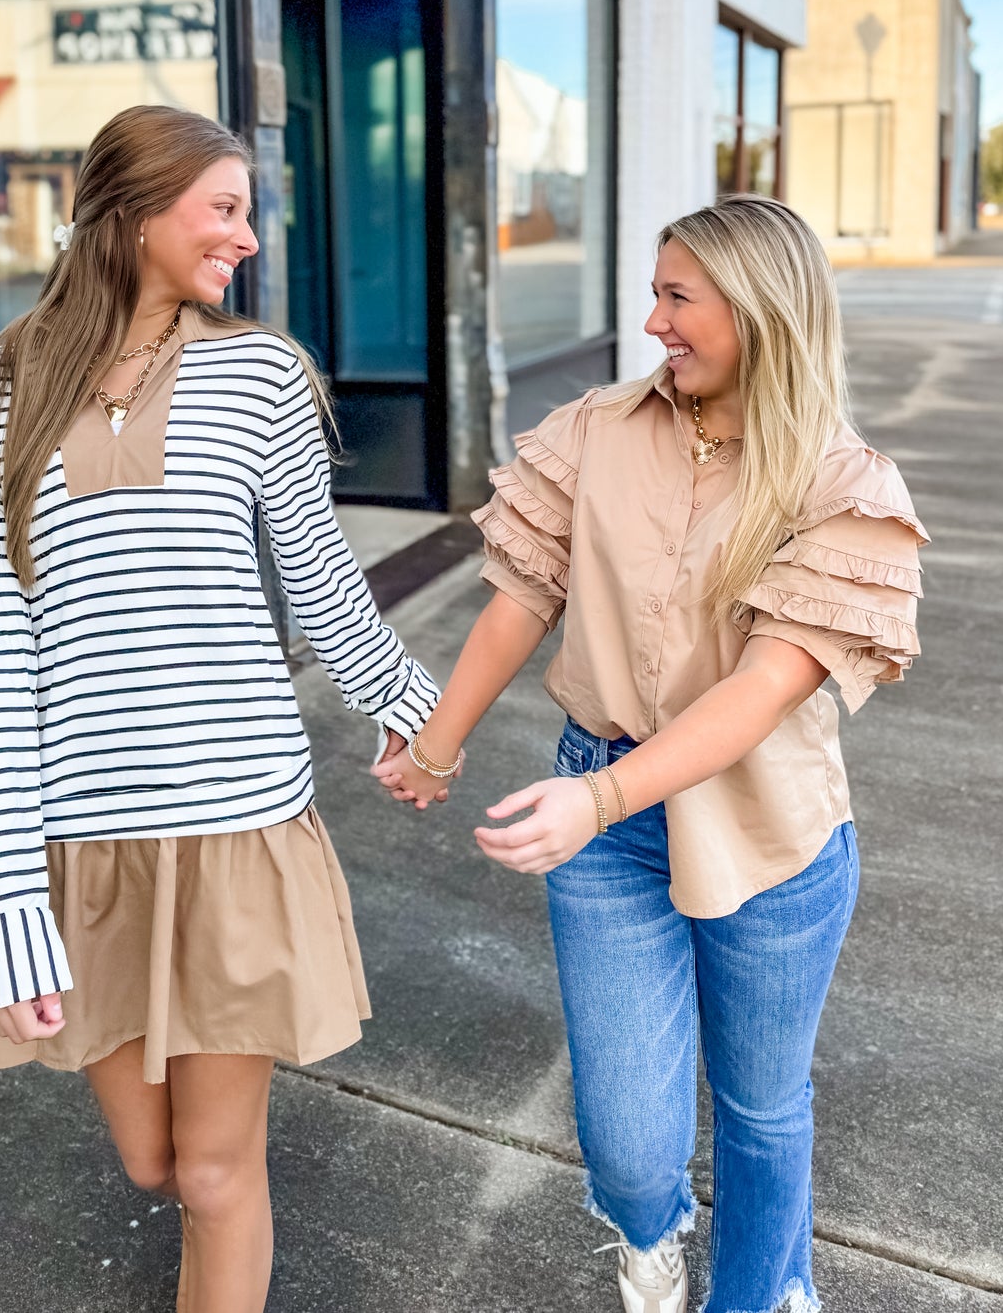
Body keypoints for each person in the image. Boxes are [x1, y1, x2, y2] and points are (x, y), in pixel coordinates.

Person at [0, 104, 438, 1313]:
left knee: (213, 1173)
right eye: (223, 207)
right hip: (83, 845)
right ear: (134, 211)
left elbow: (317, 578)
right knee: (151, 1159)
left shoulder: (259, 373)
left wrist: (417, 714)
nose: (246, 238)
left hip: (238, 830)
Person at [376, 196, 927, 1313]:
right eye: (654, 291)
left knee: (762, 1106)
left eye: (677, 297)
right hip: (607, 820)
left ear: (757, 311)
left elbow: (762, 690)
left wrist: (598, 796)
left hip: (769, 829)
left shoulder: (842, 484)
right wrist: (434, 745)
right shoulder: (594, 429)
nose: (653, 321)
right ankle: (646, 1238)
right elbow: (519, 593)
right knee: (627, 1137)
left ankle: (762, 1292)